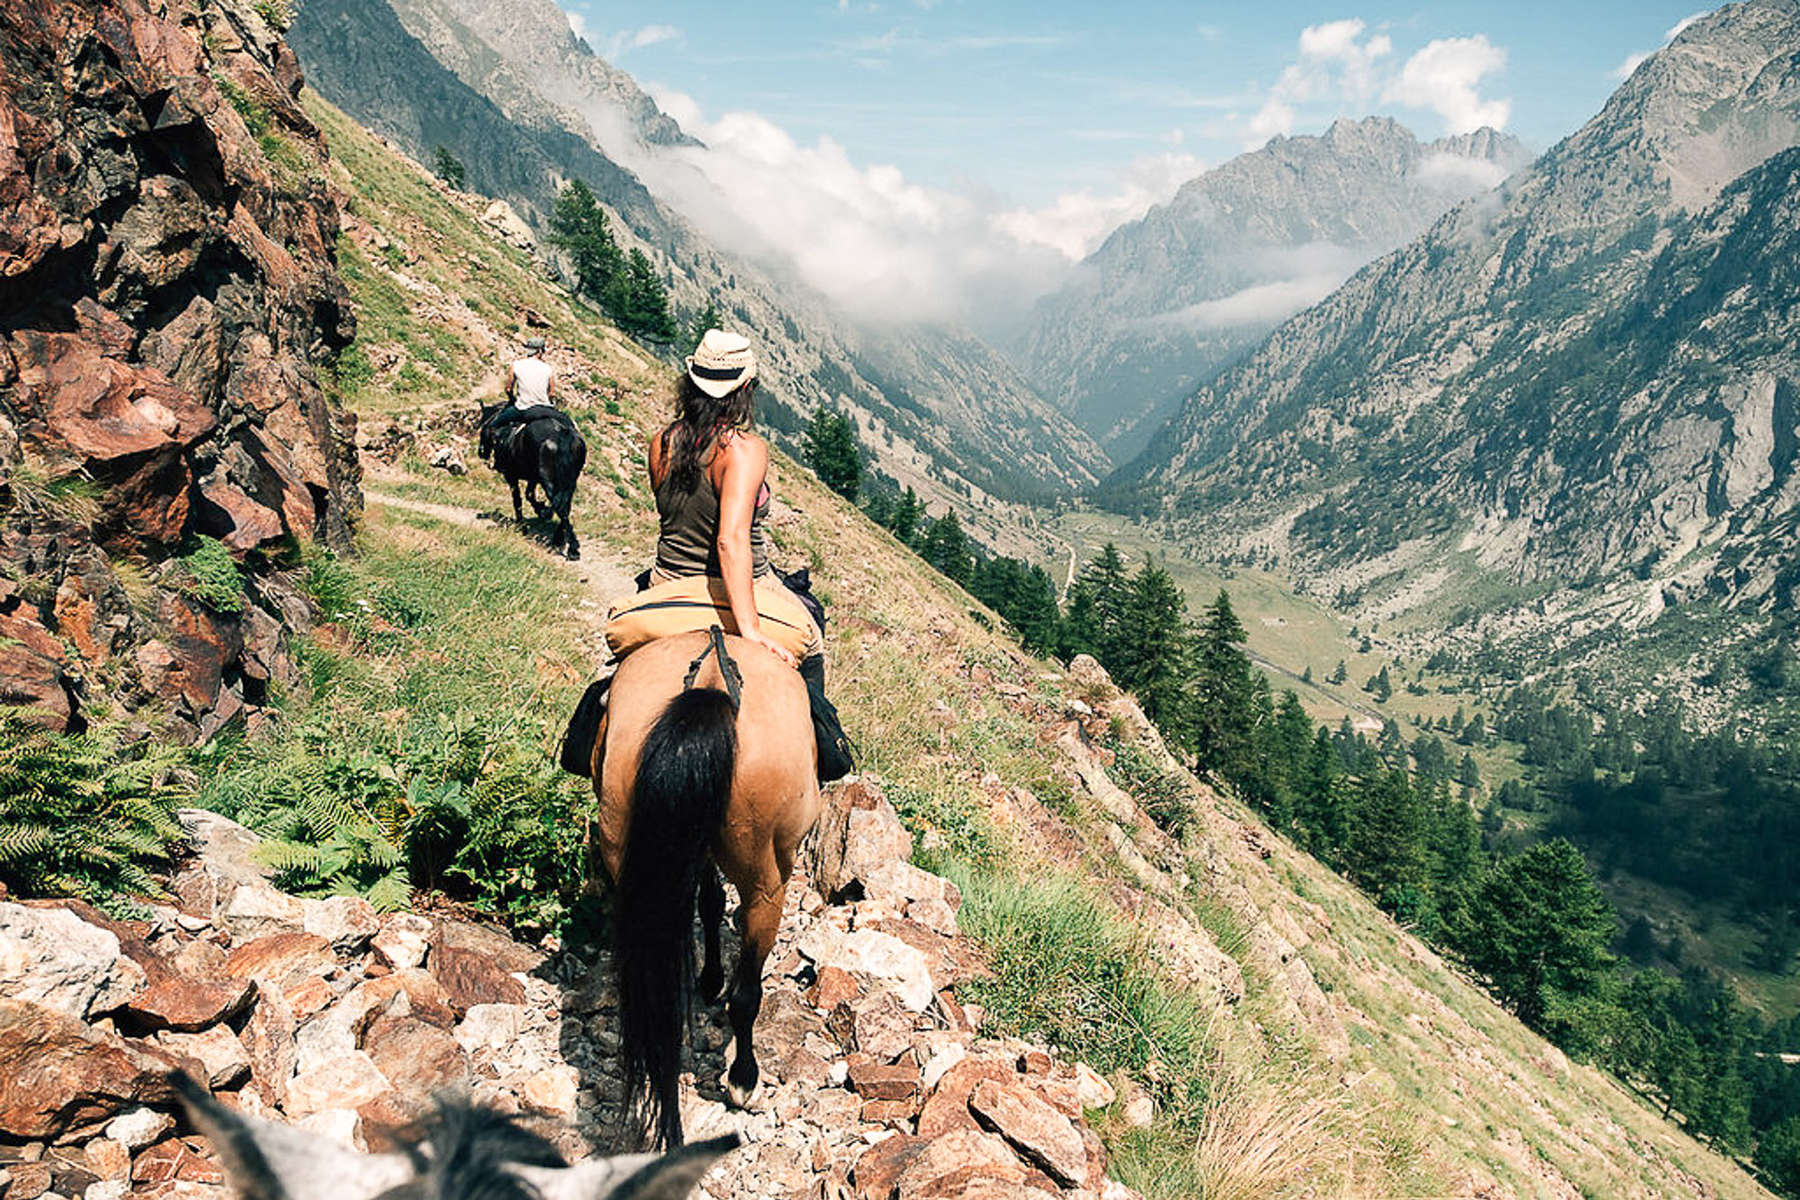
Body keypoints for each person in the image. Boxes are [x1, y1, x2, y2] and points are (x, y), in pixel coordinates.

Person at [560, 329, 852, 782]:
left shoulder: (662, 441)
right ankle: (822, 759)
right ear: (743, 390)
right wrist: (750, 631)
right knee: (810, 638)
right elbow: (730, 541)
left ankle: (585, 740)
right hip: (748, 585)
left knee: (616, 668)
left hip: (666, 582)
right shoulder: (744, 450)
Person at [480, 336, 560, 456]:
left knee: (492, 425)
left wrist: (512, 398)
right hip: (545, 409)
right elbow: (552, 393)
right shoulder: (548, 368)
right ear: (539, 351)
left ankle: (486, 453)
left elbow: (508, 388)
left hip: (523, 408)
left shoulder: (516, 365)